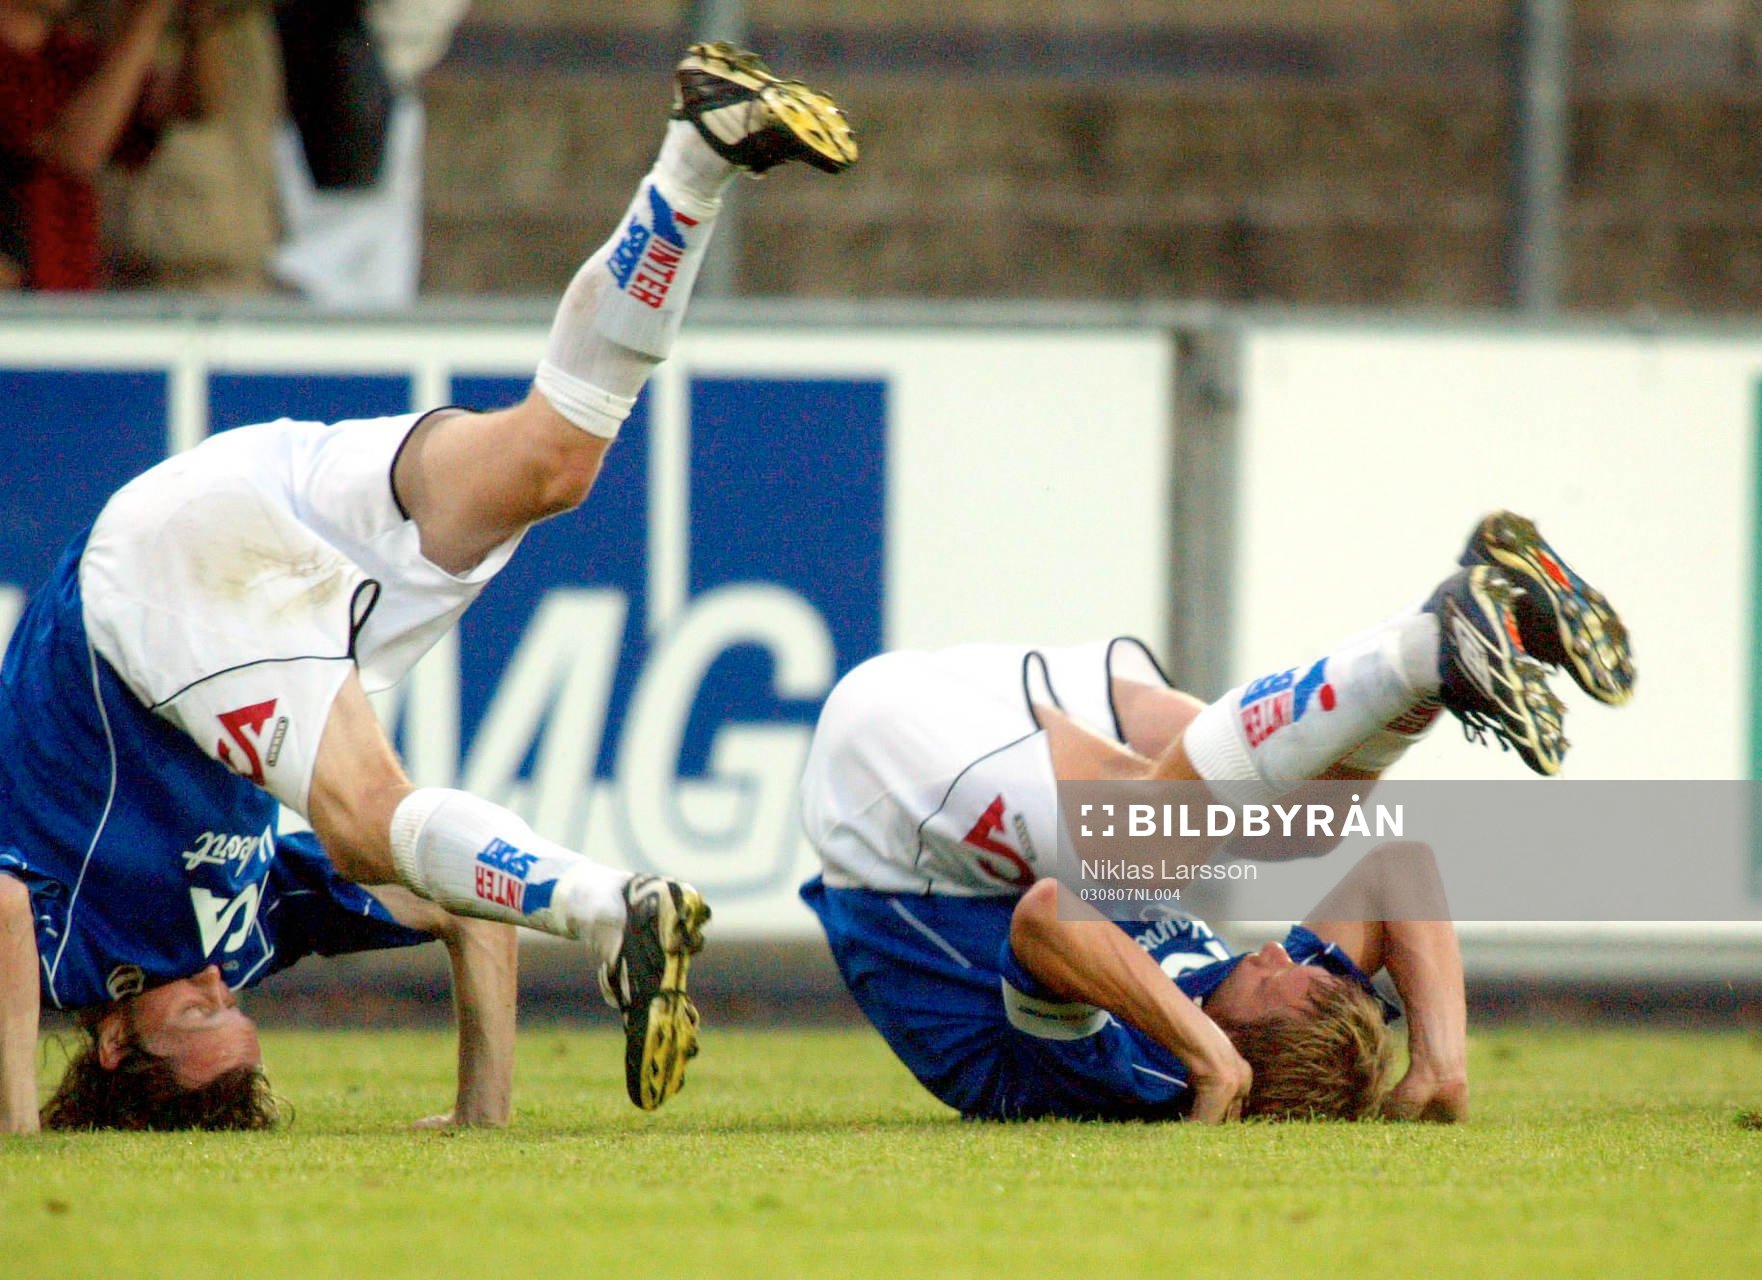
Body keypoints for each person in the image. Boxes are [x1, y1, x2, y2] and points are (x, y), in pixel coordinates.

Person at [0, 42, 859, 1135]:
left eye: (198, 1008)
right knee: (558, 458)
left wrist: (17, 1132)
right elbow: (463, 901)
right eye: (234, 1004)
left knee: (367, 818)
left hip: (148, 594)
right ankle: (697, 154)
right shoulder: (251, 928)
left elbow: (1, 908)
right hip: (257, 513)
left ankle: (609, 908)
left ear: (115, 1038)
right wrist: (479, 1114)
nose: (221, 981)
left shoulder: (78, 950)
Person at [800, 514, 1634, 1122]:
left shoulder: (1140, 1074)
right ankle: (1436, 654)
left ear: (1244, 1044)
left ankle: (1423, 652)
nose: (1274, 950)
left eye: (1274, 978)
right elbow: (1400, 869)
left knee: (1167, 846)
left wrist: (1203, 1054)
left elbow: (1047, 918)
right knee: (1284, 826)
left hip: (889, 826)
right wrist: (1439, 1067)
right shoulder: (1251, 1010)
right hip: (973, 746)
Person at [0, 0, 226, 290]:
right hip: (22, 300)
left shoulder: (68, 56)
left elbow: (197, 105)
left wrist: (200, 21)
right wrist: (147, 17)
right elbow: (75, 153)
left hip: (70, 292)